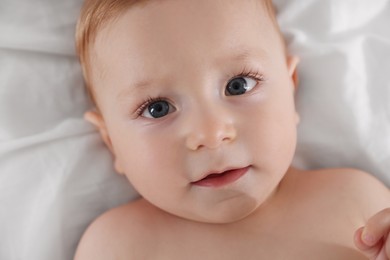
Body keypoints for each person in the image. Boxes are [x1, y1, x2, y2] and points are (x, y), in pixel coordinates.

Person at [73, 0, 390, 259]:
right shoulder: (117, 246)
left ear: (290, 90)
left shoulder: (355, 200)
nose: (211, 134)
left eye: (239, 86)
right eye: (157, 108)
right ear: (112, 142)